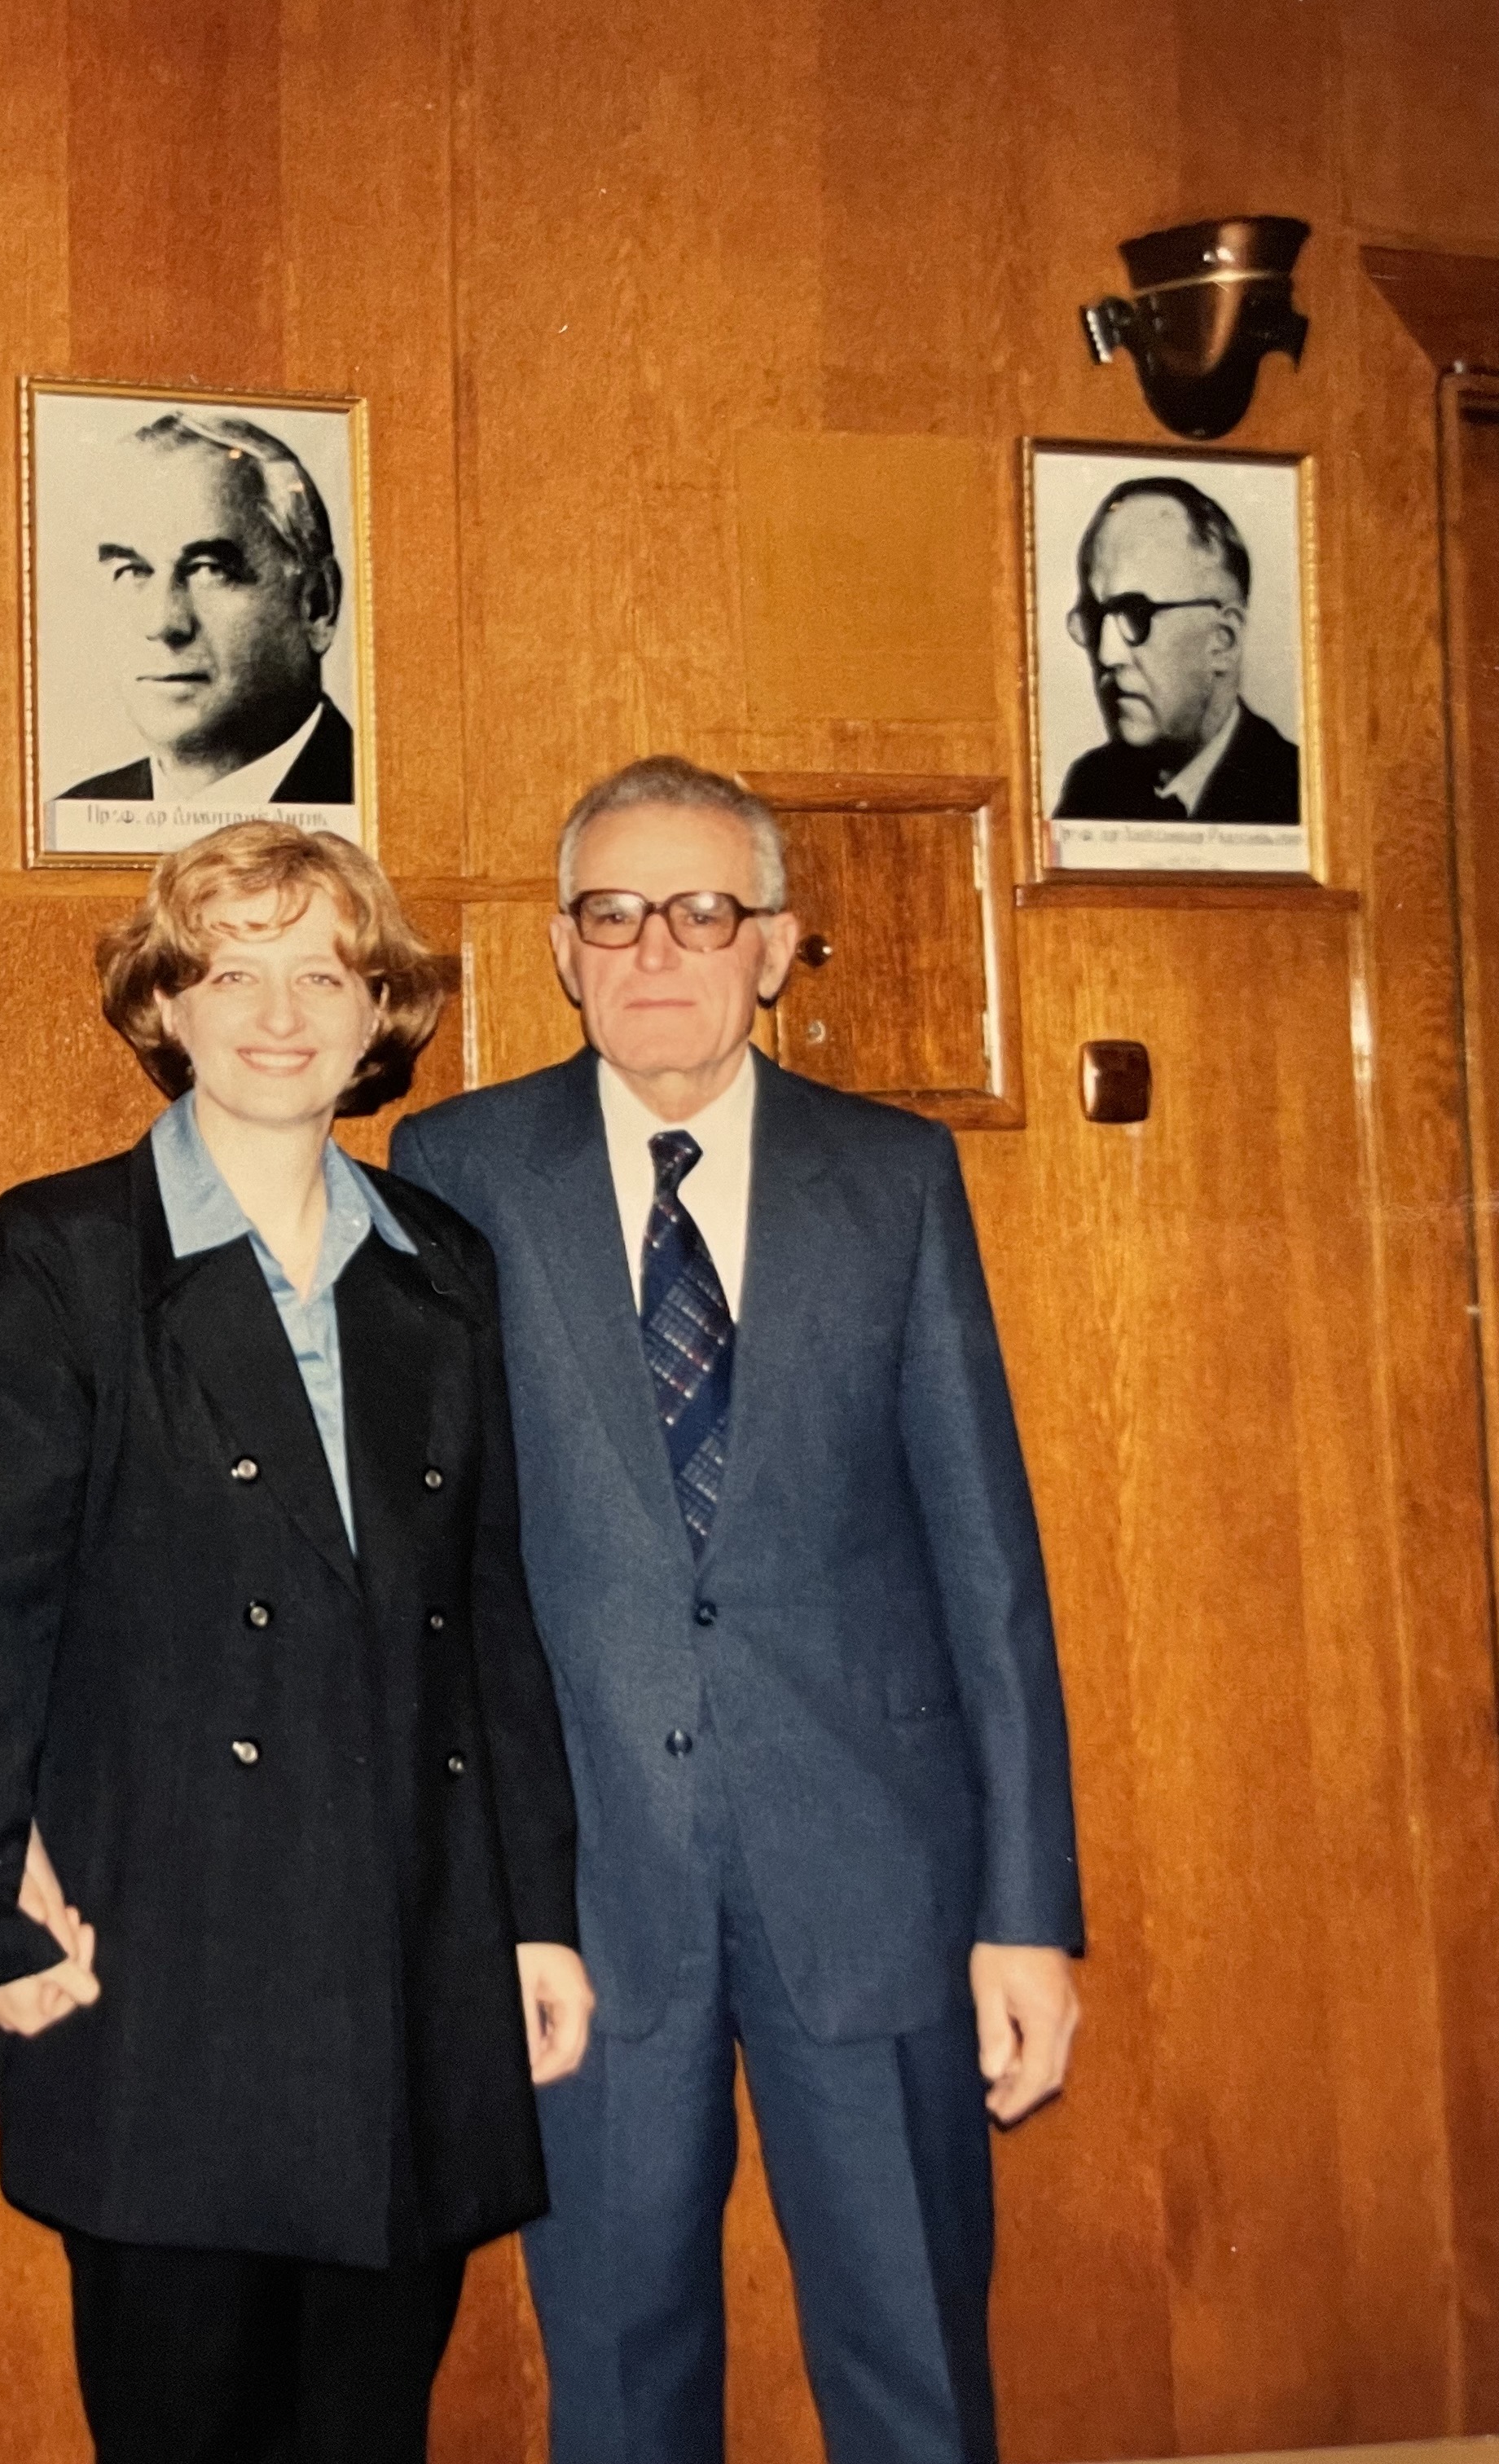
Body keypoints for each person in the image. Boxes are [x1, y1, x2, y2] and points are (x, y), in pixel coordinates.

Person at [389, 755, 1084, 2464]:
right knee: (621, 2388)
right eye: (614, 915)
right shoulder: (455, 1166)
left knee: (915, 2365)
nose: (656, 953)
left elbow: (986, 1563)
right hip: (589, 1897)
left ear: (772, 946)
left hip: (877, 1880)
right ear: (561, 948)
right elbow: (433, 1565)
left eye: (702, 912)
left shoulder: (895, 1177)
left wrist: (1028, 1910)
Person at [0, 821, 589, 2464]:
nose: (278, 1010)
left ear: (382, 1012)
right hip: (161, 1952)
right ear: (168, 999)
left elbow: (484, 1612)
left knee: (370, 2429)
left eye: (325, 972)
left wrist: (536, 1920)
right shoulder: (68, 1250)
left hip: (412, 1944)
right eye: (233, 967)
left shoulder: (447, 1266)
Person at [54, 413, 353, 808]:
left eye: (210, 570)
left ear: (317, 605)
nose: (163, 623)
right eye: (131, 571)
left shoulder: (390, 806)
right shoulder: (68, 819)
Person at [1051, 475, 1299, 821]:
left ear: (1223, 640)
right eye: (1095, 615)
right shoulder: (1092, 787)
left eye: (1138, 614)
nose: (1108, 655)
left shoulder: (1298, 796)